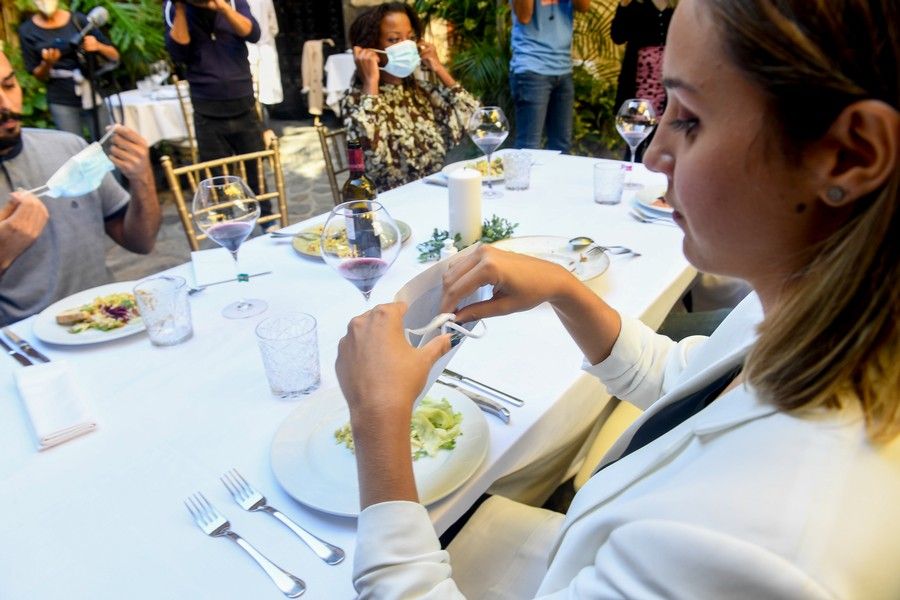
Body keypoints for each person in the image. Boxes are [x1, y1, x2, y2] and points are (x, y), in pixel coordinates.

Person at [335, 0, 900, 596]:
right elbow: (691, 385)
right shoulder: (823, 299)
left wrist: (377, 422)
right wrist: (564, 288)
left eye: (689, 119)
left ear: (851, 154)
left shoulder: (768, 549)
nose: (654, 153)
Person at [0, 49, 160, 327]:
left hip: (105, 323)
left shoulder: (68, 149)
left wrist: (142, 179)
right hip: (22, 350)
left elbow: (141, 241)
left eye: (8, 85)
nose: (5, 103)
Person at [342, 3, 479, 192]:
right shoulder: (357, 100)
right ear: (370, 48)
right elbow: (373, 157)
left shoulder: (424, 93)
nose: (406, 45)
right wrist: (371, 81)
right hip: (393, 205)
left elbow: (477, 121)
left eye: (411, 37)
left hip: (436, 193)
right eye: (393, 39)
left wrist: (439, 68)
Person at [163, 0, 273, 221]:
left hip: (243, 102)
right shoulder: (173, 7)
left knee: (255, 168)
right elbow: (179, 51)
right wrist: (182, 9)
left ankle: (266, 218)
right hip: (207, 107)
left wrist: (223, 7)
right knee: (216, 176)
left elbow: (253, 33)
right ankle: (227, 221)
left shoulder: (232, 2)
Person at [18, 0, 120, 139]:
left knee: (107, 141)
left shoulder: (78, 20)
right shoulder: (27, 30)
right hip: (61, 98)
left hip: (92, 91)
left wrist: (97, 46)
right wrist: (48, 63)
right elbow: (37, 74)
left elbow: (114, 55)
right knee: (72, 146)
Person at [509, 0, 591, 153]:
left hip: (563, 67)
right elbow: (524, 16)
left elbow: (584, 7)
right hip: (531, 67)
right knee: (528, 148)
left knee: (562, 147)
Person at [611, 0, 676, 118]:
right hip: (640, 79)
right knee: (639, 123)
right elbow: (618, 36)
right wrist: (624, 6)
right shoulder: (636, 3)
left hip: (668, 78)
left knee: (666, 123)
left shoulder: (677, 5)